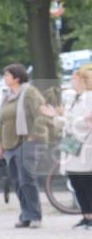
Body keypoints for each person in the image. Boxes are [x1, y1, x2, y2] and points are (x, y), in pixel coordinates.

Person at [0, 64, 48, 229]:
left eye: (7, 75)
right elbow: (2, 123)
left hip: (27, 142)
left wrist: (32, 137)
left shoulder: (30, 93)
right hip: (9, 144)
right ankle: (25, 214)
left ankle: (35, 216)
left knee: (27, 180)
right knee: (17, 181)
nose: (5, 78)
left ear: (17, 77)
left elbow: (41, 115)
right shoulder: (7, 96)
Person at [42, 69, 92, 228]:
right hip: (71, 146)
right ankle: (86, 216)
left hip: (85, 146)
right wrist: (54, 116)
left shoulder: (89, 98)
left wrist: (72, 121)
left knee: (86, 183)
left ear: (84, 81)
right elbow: (67, 121)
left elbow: (85, 122)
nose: (72, 82)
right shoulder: (71, 99)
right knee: (76, 182)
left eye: (75, 79)